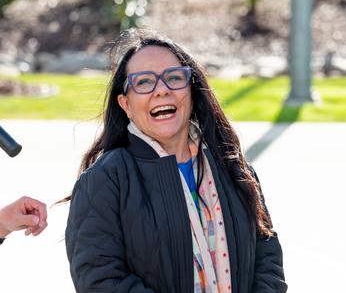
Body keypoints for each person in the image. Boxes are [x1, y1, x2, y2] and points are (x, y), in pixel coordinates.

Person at [65, 29, 287, 292]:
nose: (162, 91)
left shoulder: (232, 167)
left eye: (173, 78)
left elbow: (267, 257)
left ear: (192, 92)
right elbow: (100, 279)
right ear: (125, 103)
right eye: (144, 82)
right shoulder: (105, 181)